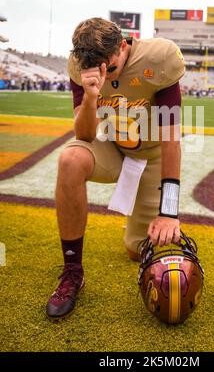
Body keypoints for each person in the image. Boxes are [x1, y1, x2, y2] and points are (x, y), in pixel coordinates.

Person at [46, 17, 185, 320]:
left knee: (137, 251)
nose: (104, 75)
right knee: (70, 159)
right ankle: (72, 271)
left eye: (110, 68)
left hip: (151, 155)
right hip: (111, 147)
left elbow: (171, 140)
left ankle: (138, 220)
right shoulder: (80, 66)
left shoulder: (157, 60)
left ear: (122, 46)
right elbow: (84, 135)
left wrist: (169, 211)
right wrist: (92, 97)